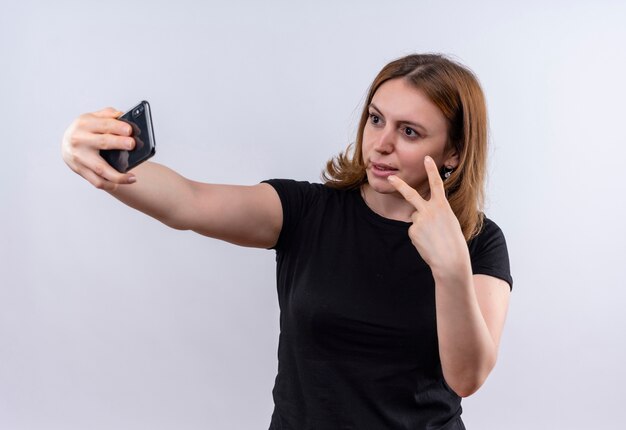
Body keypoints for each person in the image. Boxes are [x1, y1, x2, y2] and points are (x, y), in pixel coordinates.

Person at [61, 53, 512, 430]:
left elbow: (466, 377)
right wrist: (101, 164)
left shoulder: (479, 241)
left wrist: (450, 269)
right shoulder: (306, 211)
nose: (381, 144)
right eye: (376, 119)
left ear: (453, 152)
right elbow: (188, 202)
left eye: (409, 131)